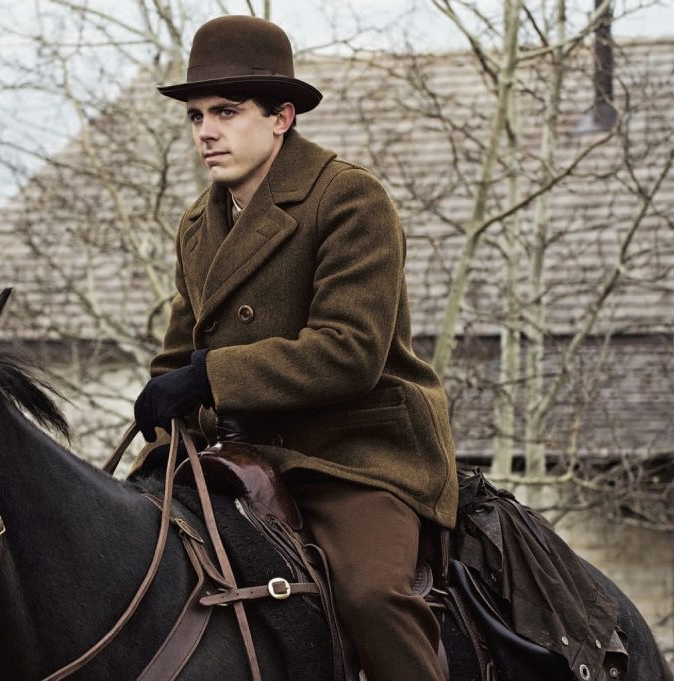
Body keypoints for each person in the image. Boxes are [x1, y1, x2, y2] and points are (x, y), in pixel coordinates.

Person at [133, 15, 457, 681]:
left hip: (355, 453)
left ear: (281, 117)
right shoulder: (197, 224)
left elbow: (349, 350)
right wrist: (159, 437)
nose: (206, 132)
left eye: (226, 112)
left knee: (371, 596)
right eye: (195, 116)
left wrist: (210, 379)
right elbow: (178, 360)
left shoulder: (349, 199)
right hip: (241, 456)